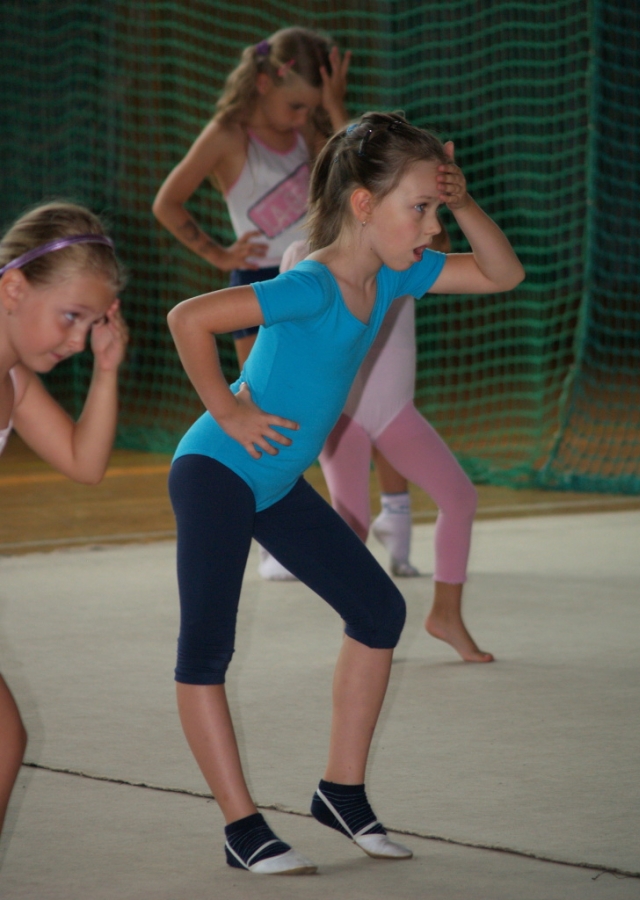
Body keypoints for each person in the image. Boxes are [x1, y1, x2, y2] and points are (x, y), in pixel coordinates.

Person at [166, 110, 524, 876]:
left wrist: (461, 201)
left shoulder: (393, 273)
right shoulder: (309, 285)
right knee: (207, 649)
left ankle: (341, 793)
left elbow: (502, 274)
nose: (430, 227)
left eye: (433, 209)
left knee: (378, 612)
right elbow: (189, 318)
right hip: (216, 471)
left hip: (272, 482)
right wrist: (228, 410)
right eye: (418, 208)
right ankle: (241, 829)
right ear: (363, 204)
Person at [281, 225, 491, 663]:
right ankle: (360, 629)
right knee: (350, 526)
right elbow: (288, 338)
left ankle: (445, 615)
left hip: (395, 412)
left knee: (459, 498)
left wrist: (449, 204)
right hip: (341, 416)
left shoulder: (406, 252)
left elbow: (448, 249)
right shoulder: (304, 255)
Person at [0, 201, 128, 837]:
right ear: (14, 288)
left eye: (92, 322)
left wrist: (106, 371)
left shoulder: (14, 380)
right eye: (71, 316)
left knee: (4, 741)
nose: (78, 341)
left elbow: (84, 462)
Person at [152, 26, 350, 369]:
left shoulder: (304, 130)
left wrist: (334, 107)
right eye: (296, 106)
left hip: (311, 271)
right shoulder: (226, 134)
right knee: (261, 390)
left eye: (311, 108)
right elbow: (166, 203)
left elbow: (351, 172)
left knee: (319, 382)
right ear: (263, 83)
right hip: (258, 281)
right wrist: (219, 255)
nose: (304, 116)